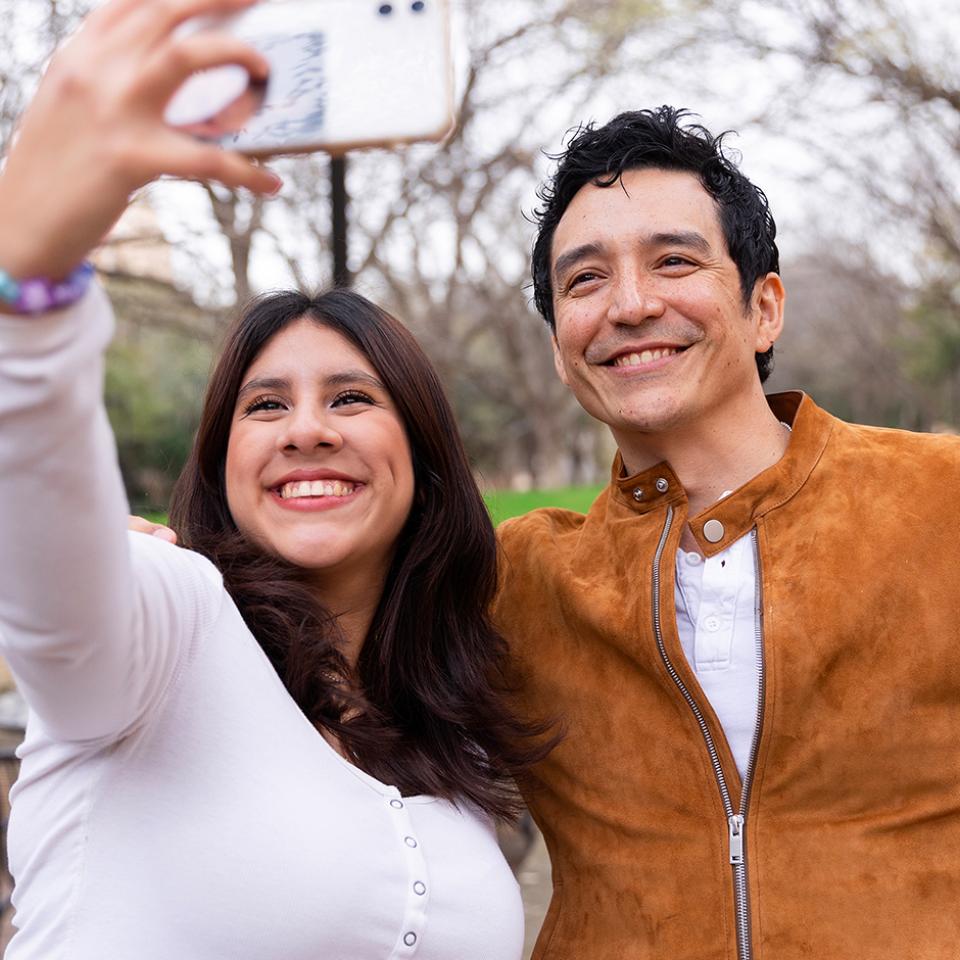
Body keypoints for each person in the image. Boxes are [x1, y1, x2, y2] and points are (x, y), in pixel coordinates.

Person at [0, 2, 550, 957]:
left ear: (422, 454)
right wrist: (28, 280)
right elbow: (52, 576)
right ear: (221, 461)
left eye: (350, 399)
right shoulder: (163, 623)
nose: (304, 431)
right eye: (263, 407)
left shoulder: (454, 746)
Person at [489, 106, 960, 959]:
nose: (631, 304)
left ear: (763, 307)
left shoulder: (941, 503)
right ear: (561, 348)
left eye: (675, 261)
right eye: (584, 280)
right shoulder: (516, 580)